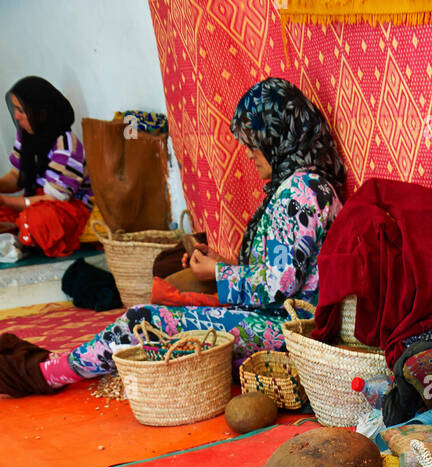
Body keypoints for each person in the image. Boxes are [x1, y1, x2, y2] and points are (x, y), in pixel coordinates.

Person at [0, 78, 345, 396]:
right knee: (164, 289)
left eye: (256, 145)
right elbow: (284, 271)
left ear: (279, 138)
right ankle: (60, 364)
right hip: (274, 318)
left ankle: (48, 373)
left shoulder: (302, 191)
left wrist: (217, 274)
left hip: (288, 331)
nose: (251, 154)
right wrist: (223, 264)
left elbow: (278, 287)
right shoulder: (299, 187)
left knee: (145, 322)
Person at [0, 77, 93, 257]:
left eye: (21, 110)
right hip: (38, 201)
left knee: (38, 220)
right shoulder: (26, 136)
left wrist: (4, 200)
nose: (16, 116)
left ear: (41, 113)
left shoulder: (66, 145)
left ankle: (22, 232)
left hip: (68, 209)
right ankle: (19, 232)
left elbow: (53, 199)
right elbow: (16, 177)